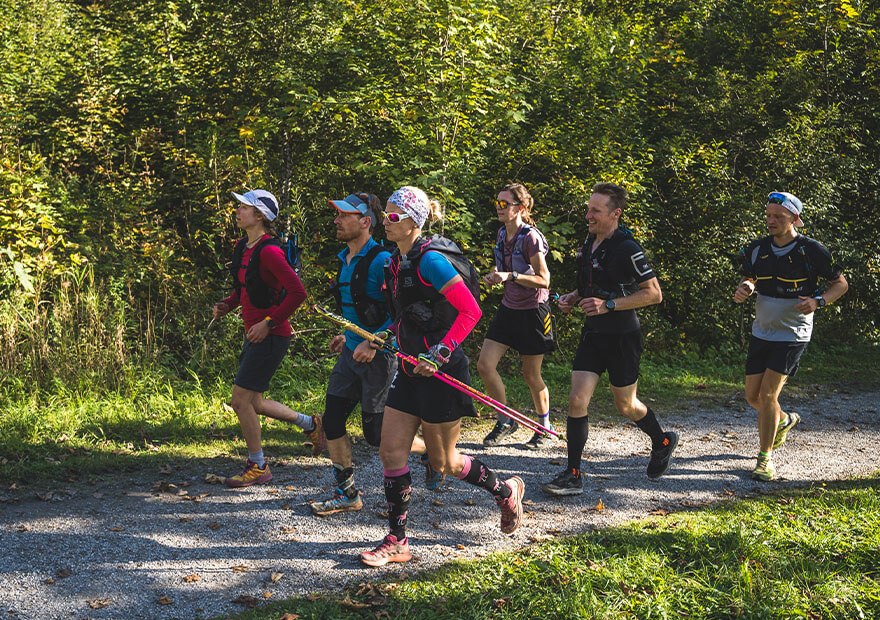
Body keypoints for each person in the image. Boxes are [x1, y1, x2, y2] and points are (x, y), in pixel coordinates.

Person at [360, 186, 524, 567]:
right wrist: (382, 335)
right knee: (390, 451)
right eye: (386, 213)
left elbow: (470, 312)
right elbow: (403, 314)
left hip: (441, 371)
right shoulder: (393, 262)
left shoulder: (431, 262)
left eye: (393, 215)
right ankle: (397, 541)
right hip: (408, 369)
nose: (387, 220)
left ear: (413, 221)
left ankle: (505, 491)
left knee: (445, 462)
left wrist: (440, 353)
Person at [309, 193, 441, 517]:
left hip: (381, 356)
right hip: (351, 355)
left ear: (365, 221)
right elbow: (355, 311)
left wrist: (376, 343)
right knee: (333, 421)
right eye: (336, 214)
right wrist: (348, 335)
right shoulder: (344, 259)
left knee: (376, 434)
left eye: (344, 215)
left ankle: (433, 452)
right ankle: (347, 492)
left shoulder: (384, 261)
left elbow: (401, 313)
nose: (336, 220)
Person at [542, 182, 676, 497]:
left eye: (595, 211)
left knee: (626, 404)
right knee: (577, 400)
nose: (588, 215)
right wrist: (574, 297)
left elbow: (653, 294)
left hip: (622, 337)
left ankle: (662, 441)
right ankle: (573, 473)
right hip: (593, 333)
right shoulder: (588, 243)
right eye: (588, 209)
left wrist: (609, 304)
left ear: (615, 214)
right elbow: (591, 286)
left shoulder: (628, 248)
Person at [213, 189, 324, 488]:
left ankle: (258, 465)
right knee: (255, 403)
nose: (237, 211)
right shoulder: (243, 247)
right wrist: (228, 304)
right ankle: (311, 424)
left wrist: (268, 323)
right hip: (257, 333)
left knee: (240, 401)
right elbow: (246, 288)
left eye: (244, 207)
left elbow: (298, 293)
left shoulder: (270, 251)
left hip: (271, 336)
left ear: (260, 216)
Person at [734, 191, 847, 481]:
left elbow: (840, 284)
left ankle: (765, 458)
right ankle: (783, 420)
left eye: (778, 217)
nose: (771, 221)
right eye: (769, 216)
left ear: (795, 219)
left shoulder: (812, 251)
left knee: (769, 394)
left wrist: (818, 302)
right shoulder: (757, 248)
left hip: (793, 331)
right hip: (763, 329)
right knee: (752, 396)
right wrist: (745, 287)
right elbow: (750, 276)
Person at [479, 183, 556, 449]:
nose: (498, 208)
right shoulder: (502, 234)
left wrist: (510, 275)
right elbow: (506, 270)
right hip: (509, 308)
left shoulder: (530, 237)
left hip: (533, 312)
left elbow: (544, 279)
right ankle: (506, 420)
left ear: (520, 208)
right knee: (484, 365)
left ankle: (544, 427)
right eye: (497, 202)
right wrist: (495, 277)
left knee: (531, 375)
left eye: (504, 204)